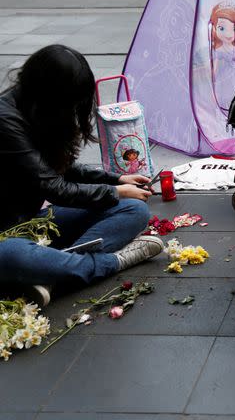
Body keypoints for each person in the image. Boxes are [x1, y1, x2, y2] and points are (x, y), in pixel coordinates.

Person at [0, 45, 164, 307]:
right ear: (51, 97)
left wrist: (114, 180)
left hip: (32, 223)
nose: (74, 111)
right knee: (10, 255)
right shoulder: (5, 120)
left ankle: (49, 273)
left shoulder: (33, 108)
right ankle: (109, 263)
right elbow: (55, 188)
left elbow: (59, 169)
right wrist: (115, 191)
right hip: (6, 236)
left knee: (133, 210)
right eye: (71, 103)